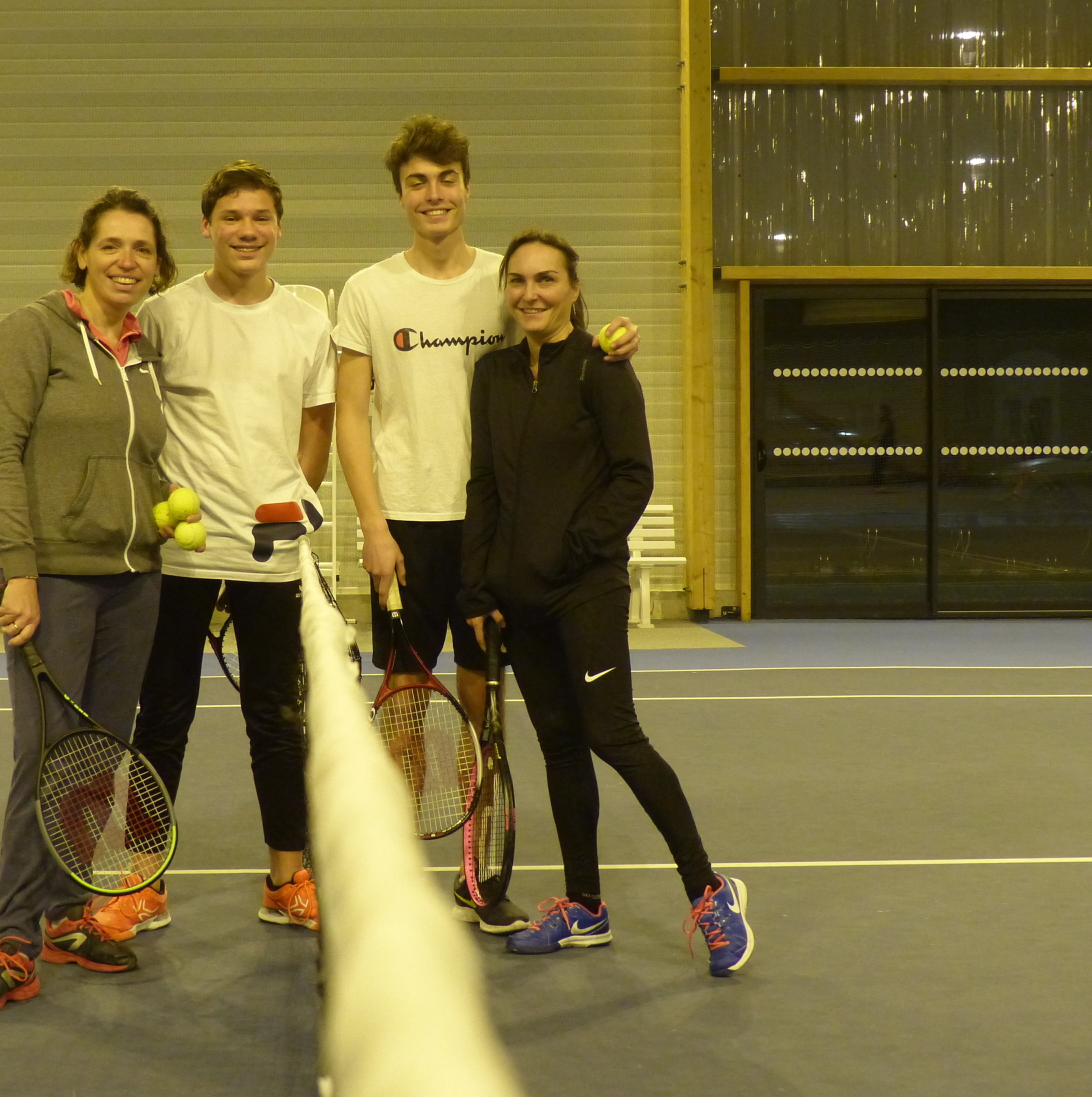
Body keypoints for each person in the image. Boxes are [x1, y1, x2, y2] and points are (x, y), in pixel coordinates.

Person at [332, 115, 639, 933]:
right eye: (417, 183)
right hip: (405, 527)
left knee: (482, 709)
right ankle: (393, 882)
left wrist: (619, 340)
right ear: (400, 195)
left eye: (446, 179)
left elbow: (572, 341)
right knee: (405, 709)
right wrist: (373, 526)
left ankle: (476, 875)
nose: (433, 195)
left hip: (493, 532)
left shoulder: (508, 280)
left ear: (467, 186)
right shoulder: (367, 291)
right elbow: (351, 417)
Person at [460, 230, 752, 976]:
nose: (531, 293)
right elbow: (484, 484)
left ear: (573, 288)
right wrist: (480, 587)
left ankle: (710, 891)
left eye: (546, 280)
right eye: (519, 280)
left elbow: (633, 476)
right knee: (559, 745)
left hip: (585, 589)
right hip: (519, 601)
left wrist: (571, 549)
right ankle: (584, 906)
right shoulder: (492, 375)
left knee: (614, 737)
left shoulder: (602, 367)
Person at [0, 187, 198, 1016]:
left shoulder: (142, 350)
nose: (128, 260)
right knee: (45, 756)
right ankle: (14, 943)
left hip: (136, 581)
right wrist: (17, 568)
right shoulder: (32, 333)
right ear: (82, 252)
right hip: (54, 580)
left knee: (97, 758)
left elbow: (134, 457)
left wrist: (162, 508)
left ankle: (66, 917)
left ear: (158, 265)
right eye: (112, 245)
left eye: (142, 249)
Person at [95, 161, 335, 941]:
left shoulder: (306, 322)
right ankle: (142, 882)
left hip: (269, 553)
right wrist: (155, 504)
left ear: (278, 227)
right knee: (162, 718)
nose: (246, 230)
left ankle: (287, 880)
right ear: (207, 226)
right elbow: (134, 413)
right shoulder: (164, 315)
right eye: (232, 217)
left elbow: (319, 421)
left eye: (260, 217)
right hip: (180, 554)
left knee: (278, 722)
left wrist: (296, 496)